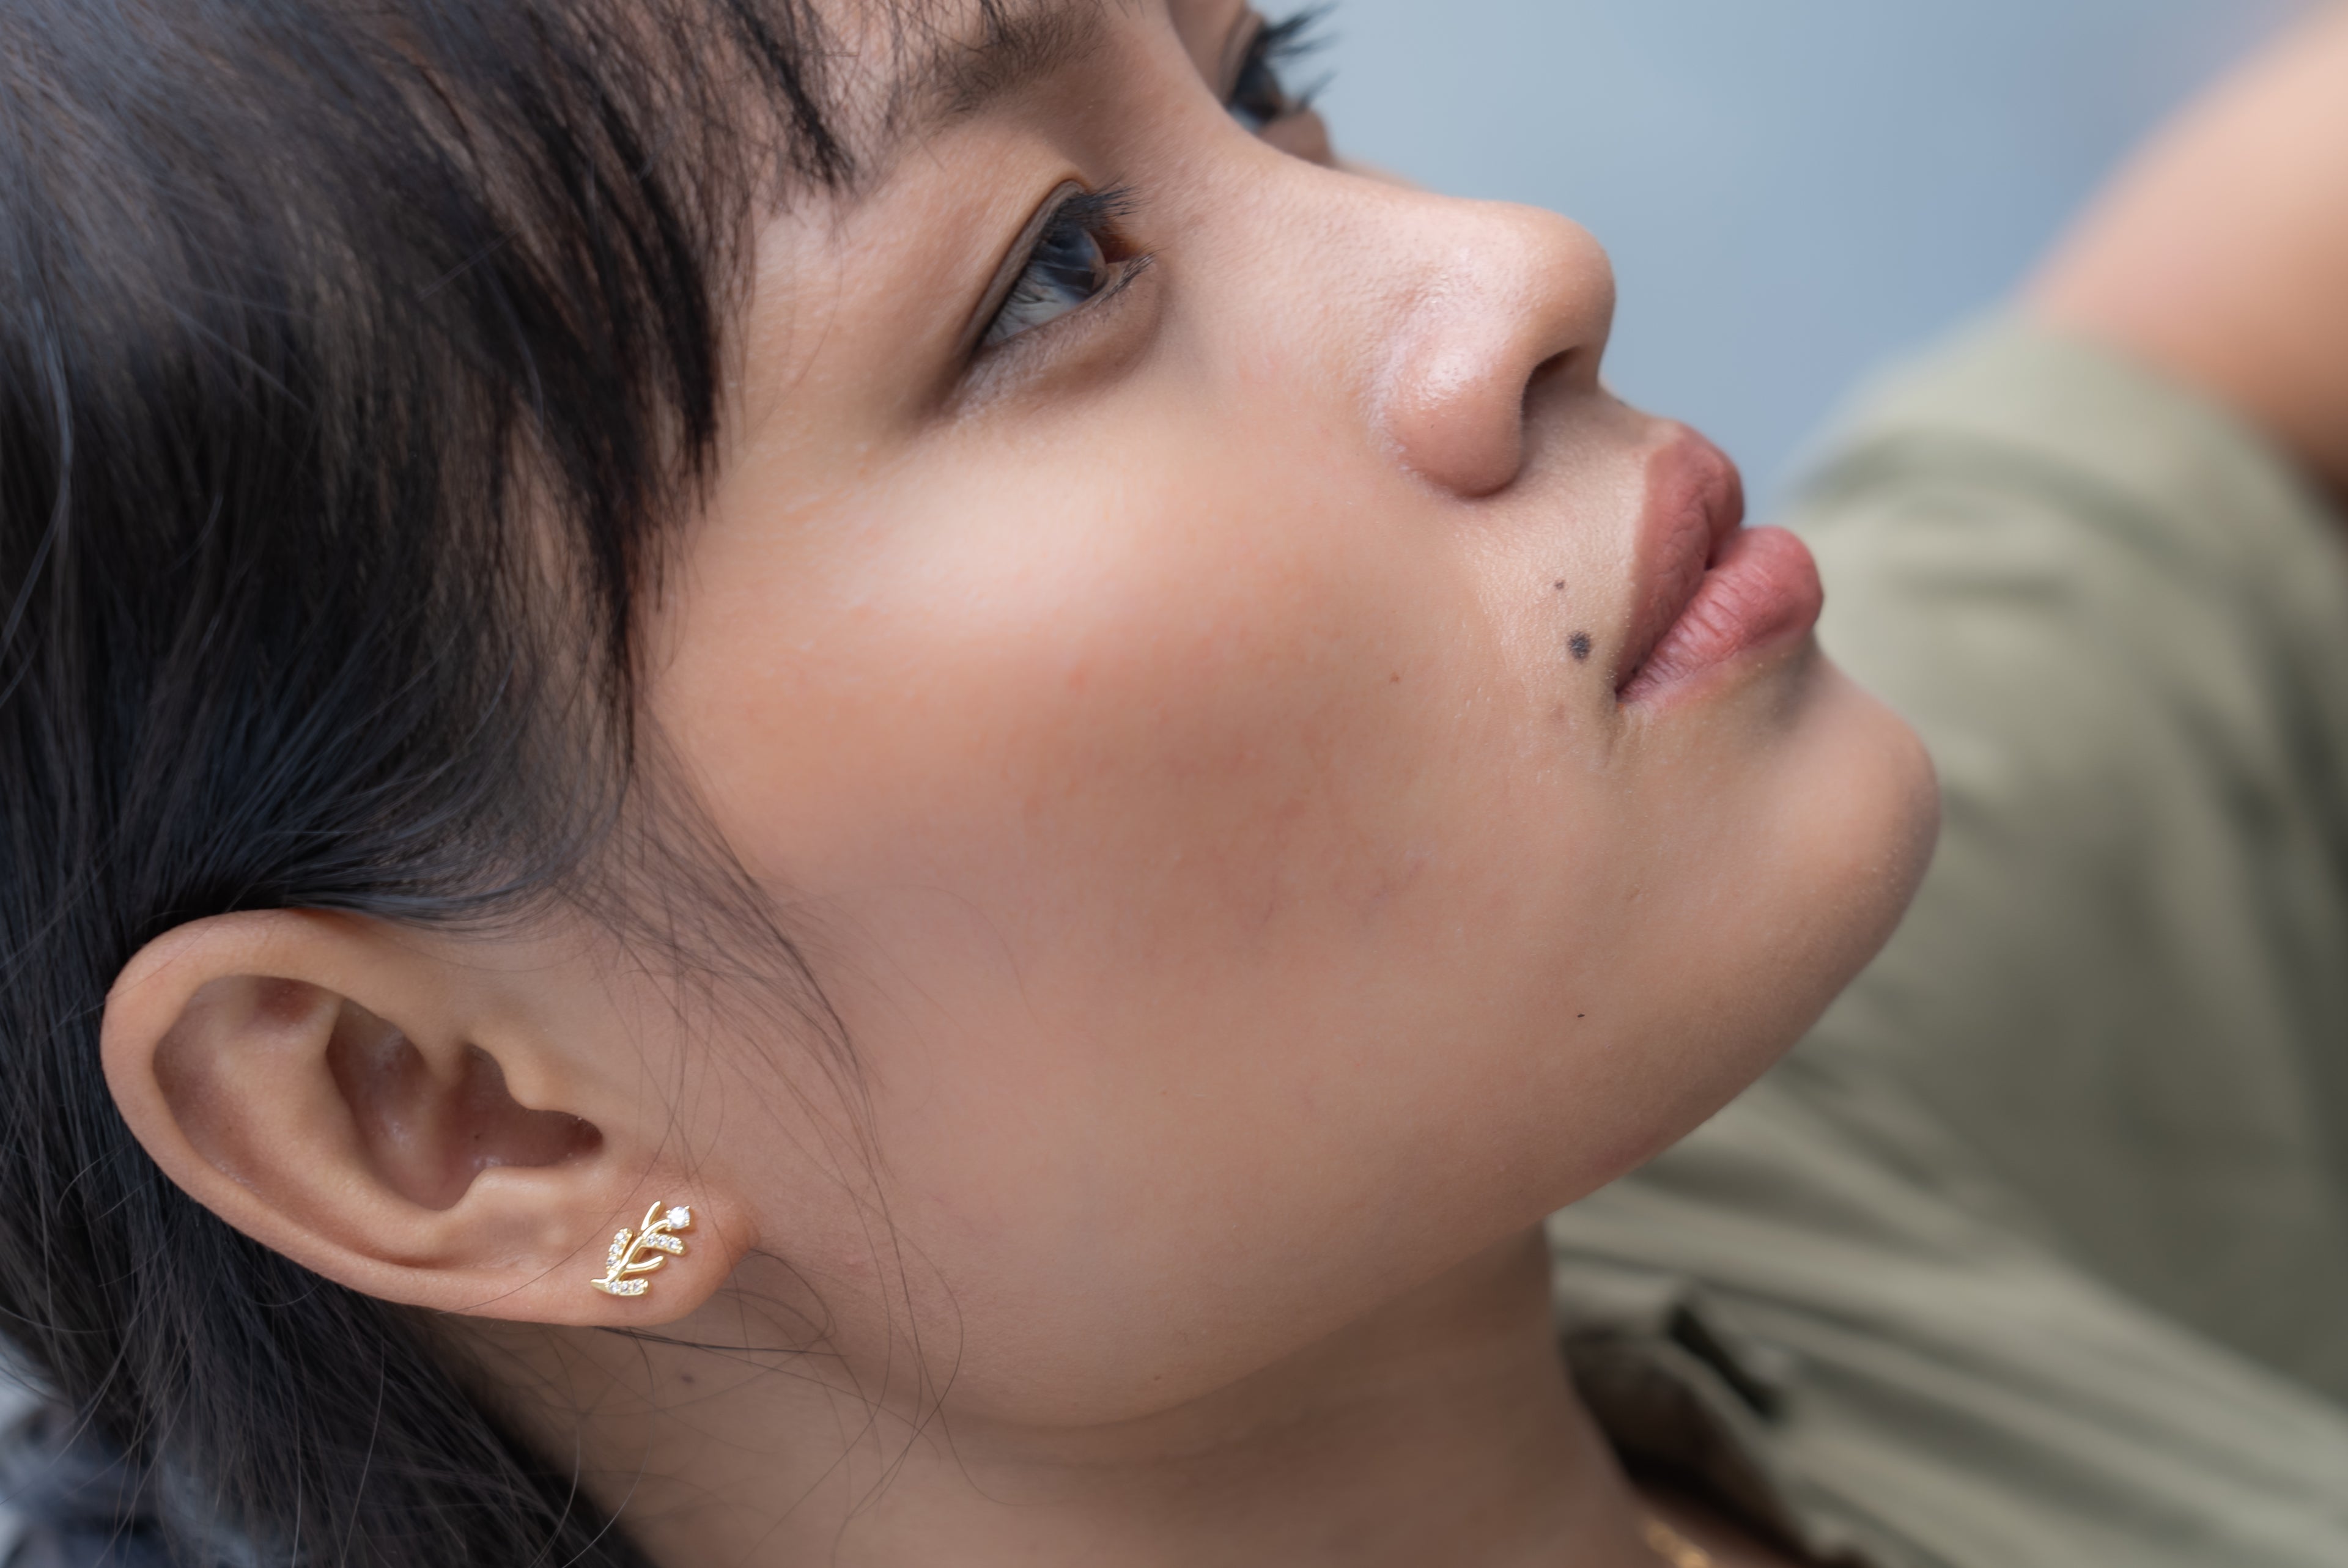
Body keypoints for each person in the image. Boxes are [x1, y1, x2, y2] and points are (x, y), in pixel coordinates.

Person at [0, 2, 2339, 1566]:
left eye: (1260, 75)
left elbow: (2208, 348)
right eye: (1053, 274)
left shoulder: (1760, 1187)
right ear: (457, 1117)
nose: (1520, 263)